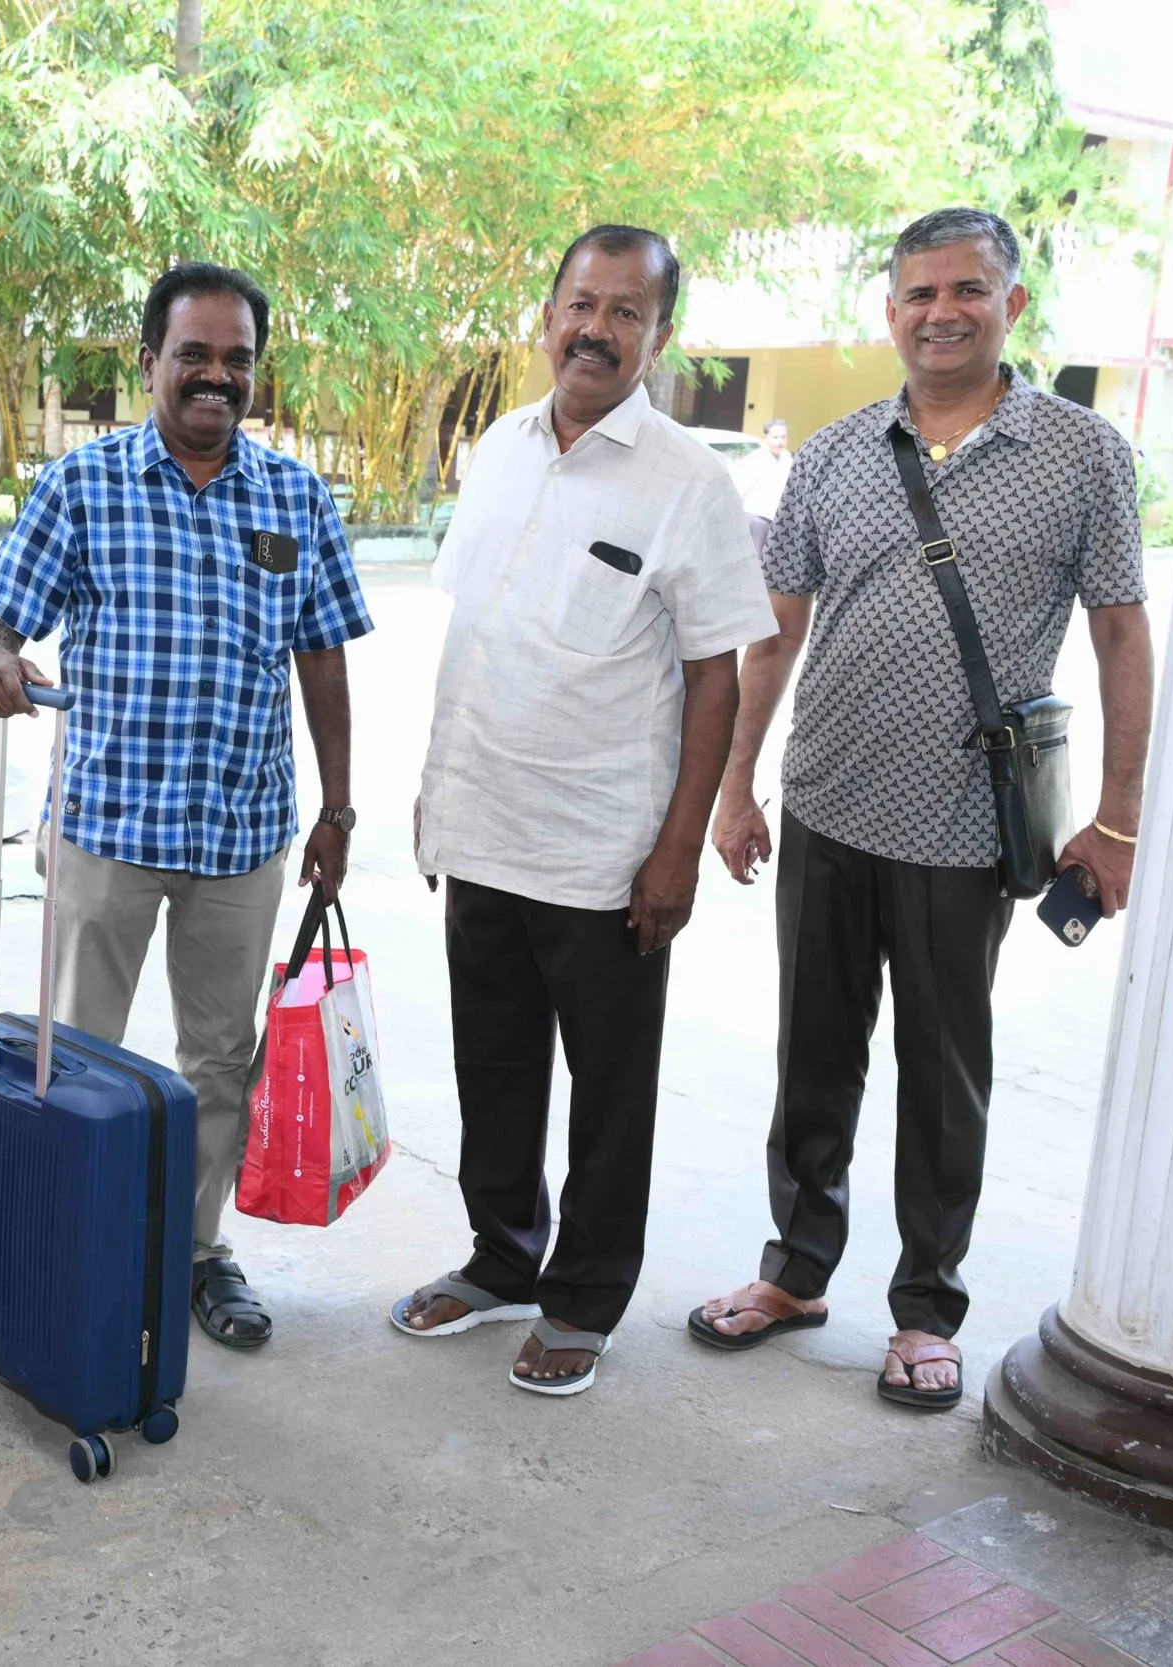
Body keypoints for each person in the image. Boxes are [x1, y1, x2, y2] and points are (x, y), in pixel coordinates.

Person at [690, 208, 1153, 1410]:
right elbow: (775, 629)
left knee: (945, 1071)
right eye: (916, 292)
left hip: (965, 825)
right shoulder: (840, 452)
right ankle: (794, 1270)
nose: (939, 310)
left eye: (965, 288)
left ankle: (925, 1304)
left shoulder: (1082, 452)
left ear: (1010, 304)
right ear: (888, 310)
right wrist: (738, 784)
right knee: (813, 1055)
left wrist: (1117, 817)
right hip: (831, 803)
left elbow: (1117, 633)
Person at [390, 226, 777, 1396]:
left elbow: (717, 670)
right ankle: (502, 1255)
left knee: (609, 1087)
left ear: (660, 337)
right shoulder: (500, 446)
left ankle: (585, 1292)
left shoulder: (686, 482)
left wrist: (677, 850)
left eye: (624, 312)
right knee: (493, 1063)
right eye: (578, 302)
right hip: (486, 825)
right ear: (546, 310)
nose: (594, 328)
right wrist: (434, 796)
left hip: (607, 853)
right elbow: (477, 634)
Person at [0, 261, 373, 1351]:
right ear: (148, 362)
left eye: (236, 359)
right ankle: (61, 1240)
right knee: (73, 1054)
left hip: (241, 835)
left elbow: (322, 662)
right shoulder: (83, 485)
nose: (214, 376)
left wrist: (338, 809)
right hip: (104, 828)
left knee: (217, 1063)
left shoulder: (294, 499)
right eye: (193, 354)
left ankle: (194, 1252)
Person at [734, 417, 793, 557]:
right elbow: (739, 490)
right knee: (755, 560)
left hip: (778, 520)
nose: (780, 441)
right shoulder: (754, 460)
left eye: (783, 437)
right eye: (775, 437)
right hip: (757, 518)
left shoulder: (788, 460)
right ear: (765, 437)